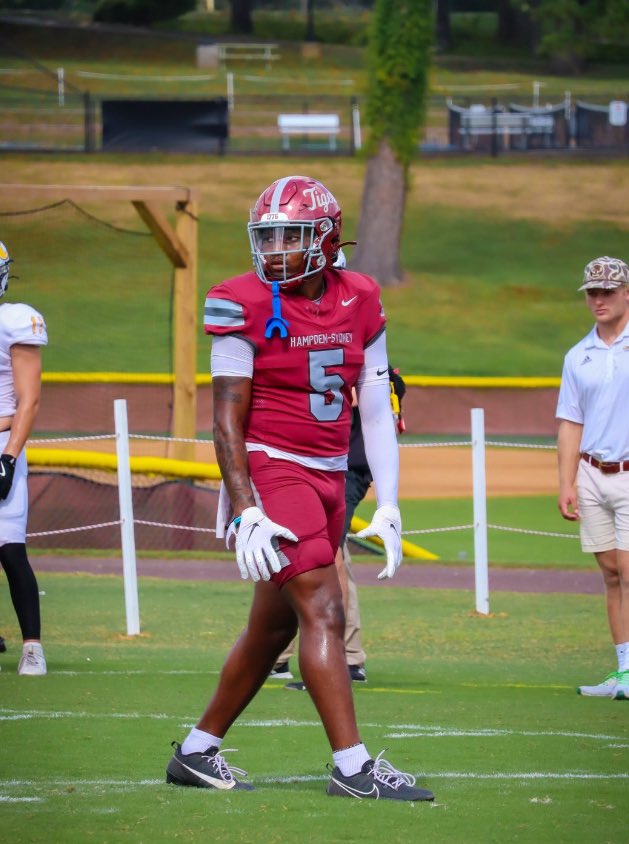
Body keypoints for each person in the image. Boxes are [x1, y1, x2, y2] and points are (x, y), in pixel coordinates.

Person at [166, 175, 434, 801]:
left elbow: (374, 403)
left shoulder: (362, 296)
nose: (275, 249)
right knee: (326, 610)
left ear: (328, 237)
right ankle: (353, 767)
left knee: (273, 628)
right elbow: (226, 420)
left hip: (331, 473)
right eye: (267, 236)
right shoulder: (240, 300)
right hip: (272, 468)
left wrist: (390, 501)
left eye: (291, 234)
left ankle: (197, 752)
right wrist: (246, 506)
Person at [274, 364, 407, 689]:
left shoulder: (356, 358)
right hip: (327, 463)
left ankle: (334, 657)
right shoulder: (346, 352)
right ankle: (337, 656)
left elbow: (375, 393)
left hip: (343, 465)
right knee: (323, 553)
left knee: (326, 554)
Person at [556, 255, 629, 701]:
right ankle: (623, 670)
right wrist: (566, 482)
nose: (598, 299)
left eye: (606, 291)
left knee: (628, 568)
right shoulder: (577, 355)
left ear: (626, 293)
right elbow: (570, 421)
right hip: (591, 472)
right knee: (610, 572)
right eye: (592, 293)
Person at [0, 240, 48, 676]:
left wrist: (10, 457)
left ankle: (32, 646)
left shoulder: (14, 320)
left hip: (1, 440)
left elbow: (28, 400)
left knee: (10, 550)